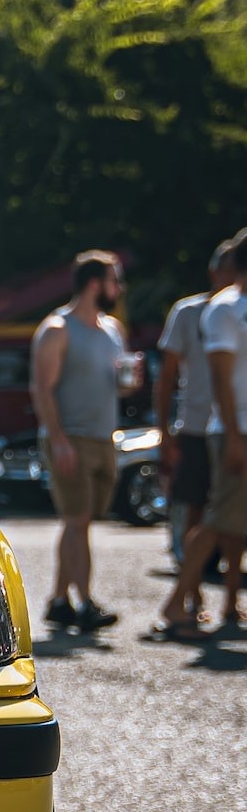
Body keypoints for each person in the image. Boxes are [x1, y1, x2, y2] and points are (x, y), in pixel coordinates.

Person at [29, 250, 133, 632]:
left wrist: (128, 384)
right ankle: (86, 603)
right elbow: (42, 389)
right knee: (78, 521)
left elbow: (116, 384)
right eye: (114, 280)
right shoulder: (57, 328)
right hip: (69, 438)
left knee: (79, 523)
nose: (119, 288)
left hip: (103, 437)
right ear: (94, 284)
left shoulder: (113, 331)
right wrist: (58, 440)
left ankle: (58, 601)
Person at [157, 234, 247, 638]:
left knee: (229, 520)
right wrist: (231, 436)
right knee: (212, 516)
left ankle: (223, 602)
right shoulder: (219, 310)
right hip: (221, 429)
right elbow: (219, 380)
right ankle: (180, 602)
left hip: (232, 429)